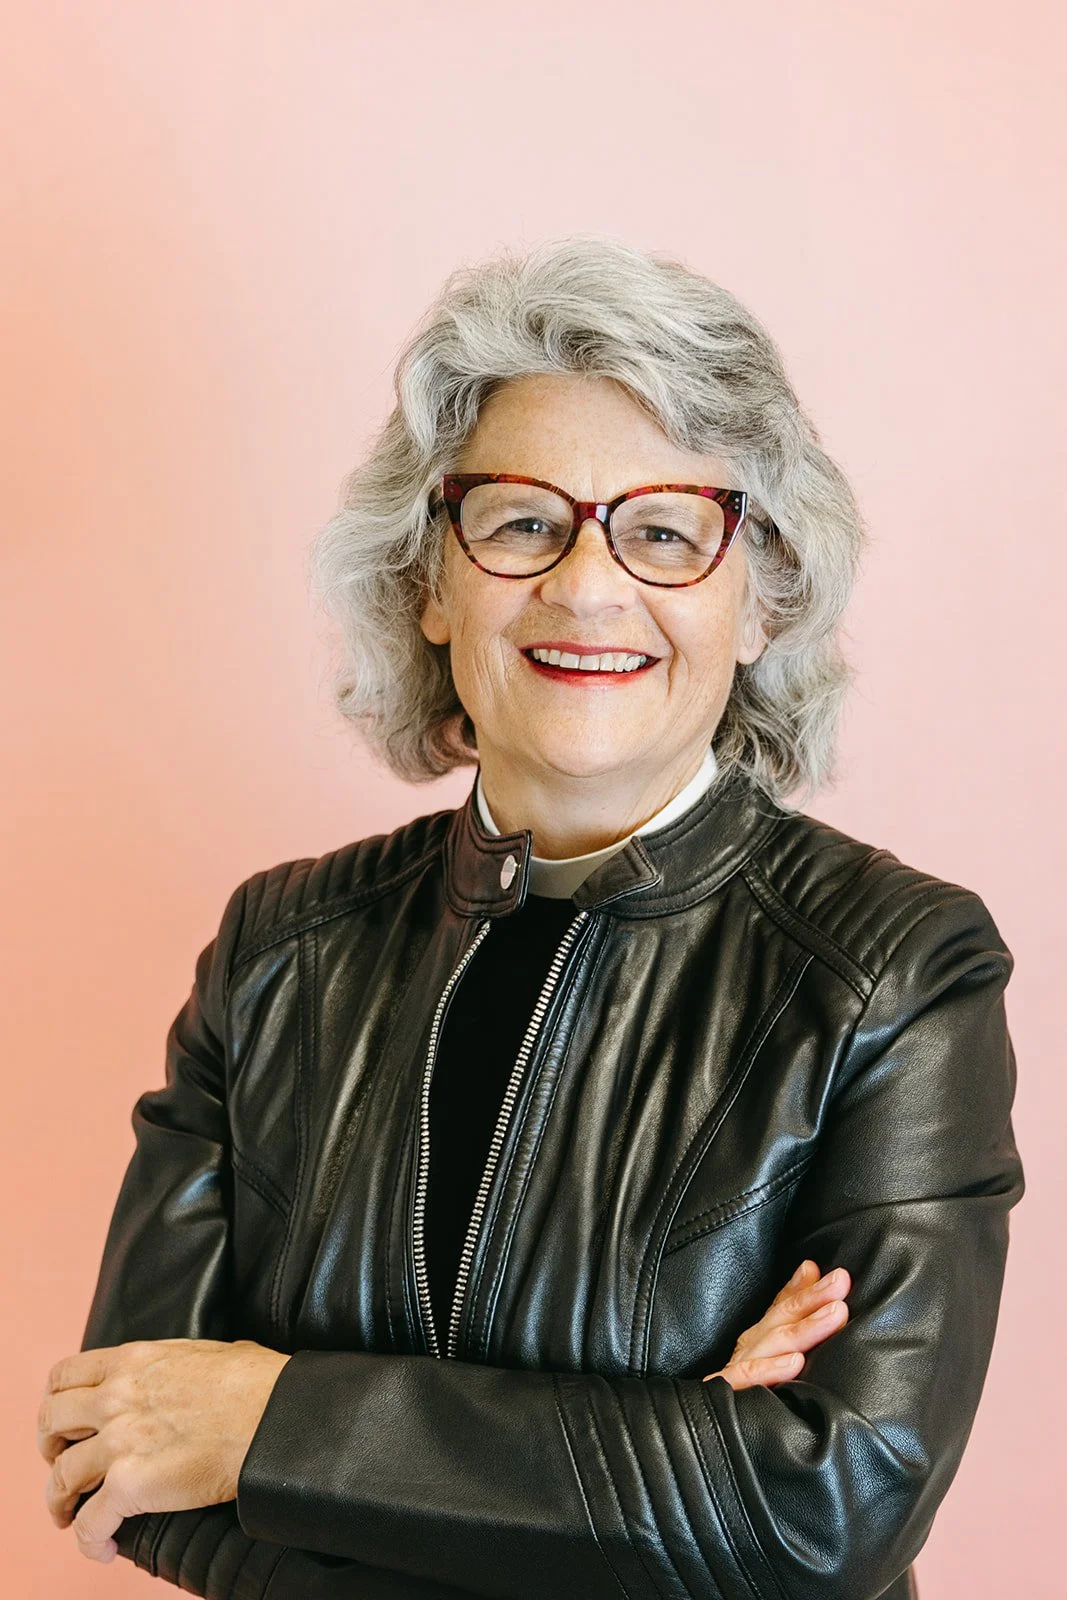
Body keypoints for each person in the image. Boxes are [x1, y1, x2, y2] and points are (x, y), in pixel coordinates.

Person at [37, 235, 1024, 1600]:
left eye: (665, 530)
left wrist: (270, 1421)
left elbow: (826, 1506)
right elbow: (117, 1459)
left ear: (760, 599)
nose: (587, 585)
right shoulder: (278, 955)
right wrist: (660, 1469)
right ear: (430, 585)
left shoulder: (894, 969)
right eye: (518, 523)